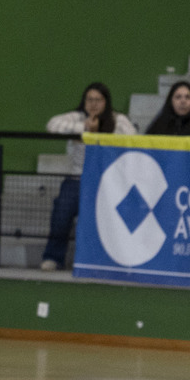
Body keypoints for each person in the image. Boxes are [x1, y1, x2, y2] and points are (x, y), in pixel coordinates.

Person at [40, 82, 136, 271]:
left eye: (98, 100)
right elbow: (52, 125)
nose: (93, 104)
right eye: (89, 99)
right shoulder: (76, 117)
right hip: (76, 179)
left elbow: (133, 138)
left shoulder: (118, 120)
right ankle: (53, 257)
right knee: (61, 214)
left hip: (107, 182)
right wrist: (84, 127)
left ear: (106, 102)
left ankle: (102, 261)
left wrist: (102, 131)